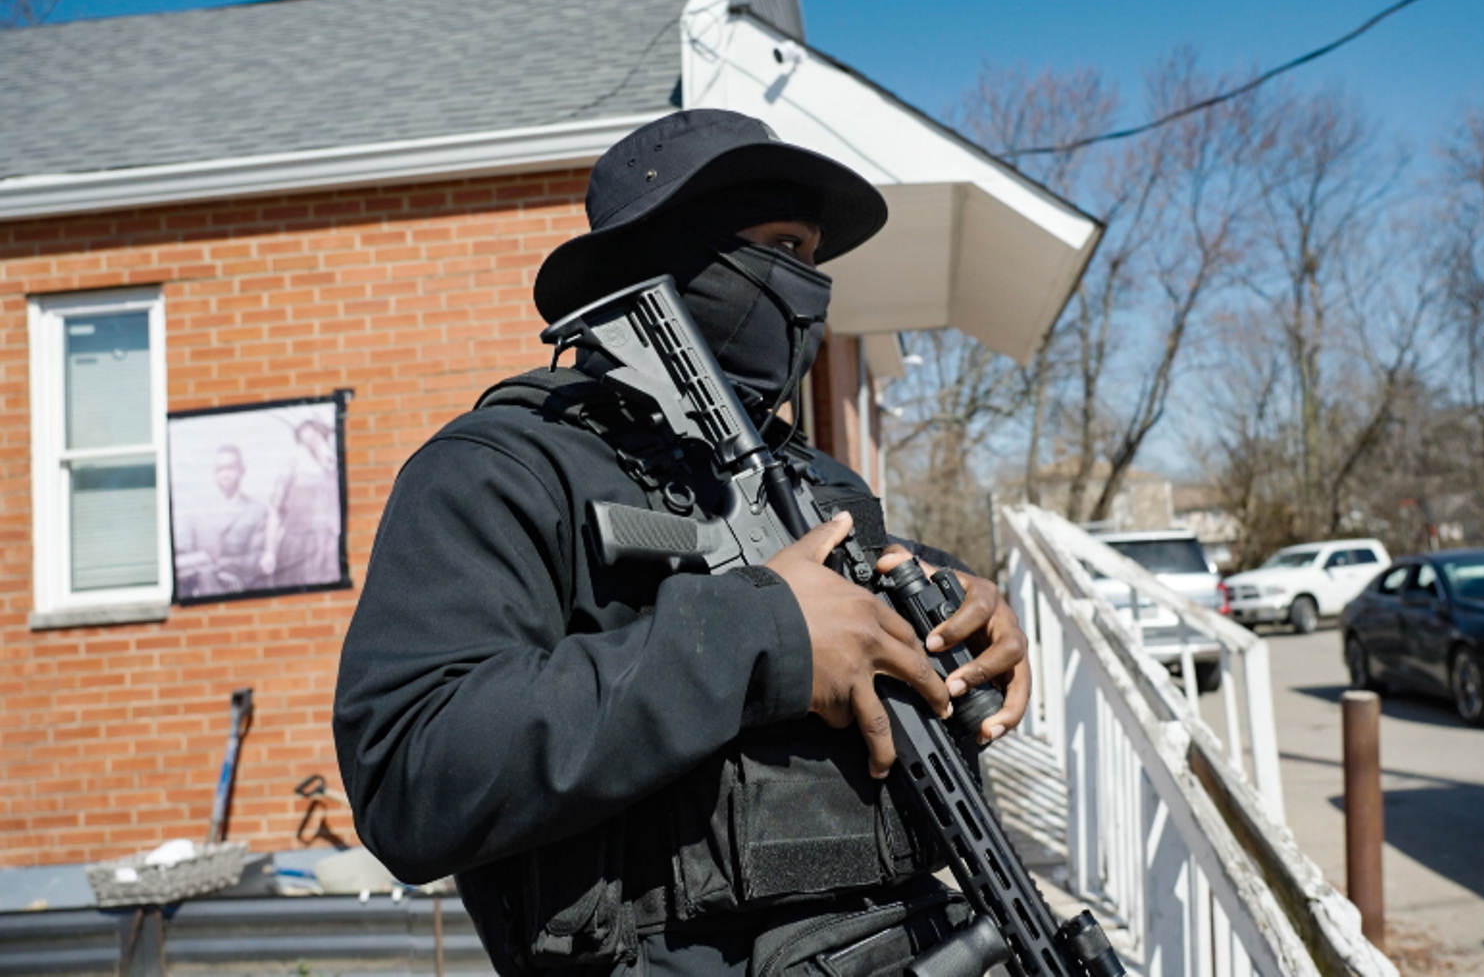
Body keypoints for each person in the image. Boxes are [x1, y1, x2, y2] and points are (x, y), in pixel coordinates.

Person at [333, 109, 1032, 976]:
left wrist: (969, 610)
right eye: (782, 246)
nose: (807, 290)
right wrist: (759, 639)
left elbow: (894, 604)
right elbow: (410, 774)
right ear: (671, 254)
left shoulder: (816, 484)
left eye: (813, 256)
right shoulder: (501, 470)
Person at [173, 444, 268, 598]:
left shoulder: (257, 510)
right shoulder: (196, 511)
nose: (225, 474)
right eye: (220, 469)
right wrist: (209, 571)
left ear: (242, 471)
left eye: (230, 468)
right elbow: (182, 556)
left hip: (242, 593)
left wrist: (222, 568)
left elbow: (257, 559)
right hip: (202, 596)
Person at [260, 417, 341, 588]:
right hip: (296, 545)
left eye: (315, 438)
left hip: (326, 546)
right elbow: (275, 512)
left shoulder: (333, 467)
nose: (311, 444)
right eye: (305, 440)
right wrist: (270, 551)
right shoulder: (291, 468)